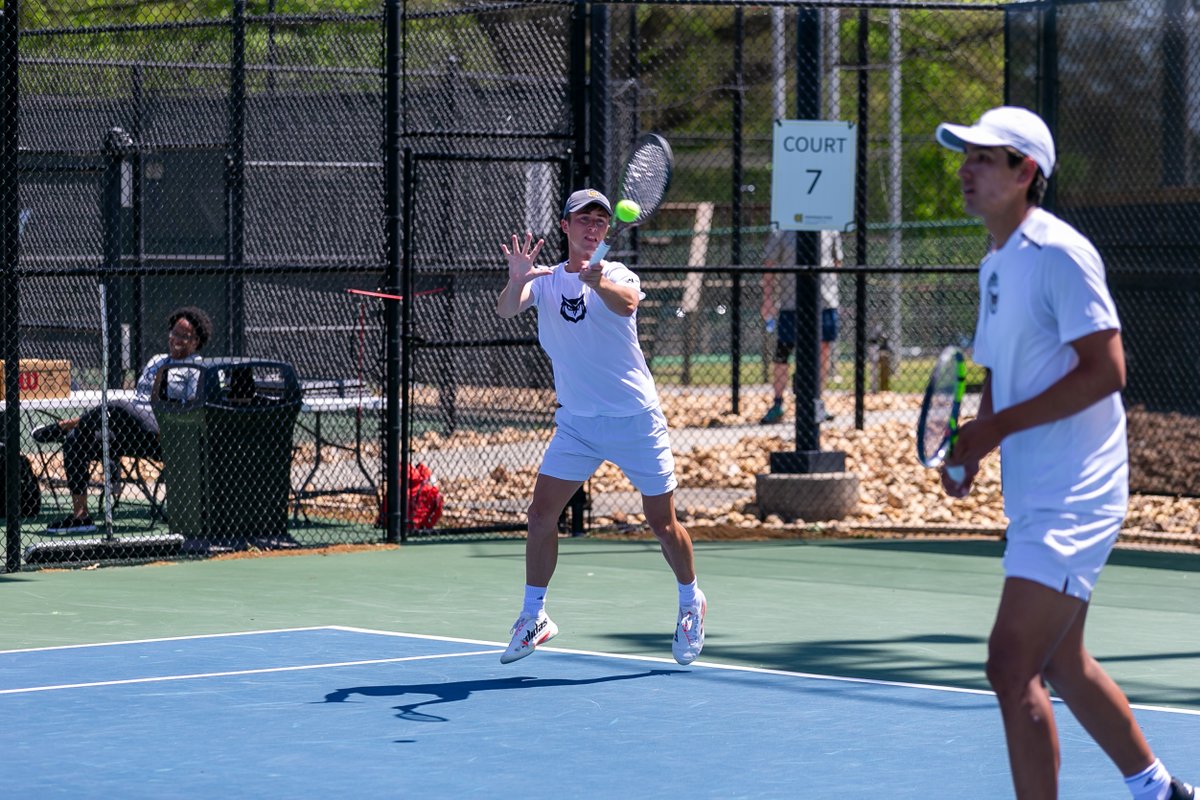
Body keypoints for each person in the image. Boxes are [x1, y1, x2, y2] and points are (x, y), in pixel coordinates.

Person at [937, 107, 1194, 800]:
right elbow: (996, 372)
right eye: (965, 156)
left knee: (1010, 663)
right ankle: (1159, 790)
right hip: (1035, 487)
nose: (966, 169)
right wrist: (974, 448)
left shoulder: (1059, 252)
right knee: (1064, 662)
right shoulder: (995, 263)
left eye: (984, 159)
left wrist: (994, 430)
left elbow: (1107, 369)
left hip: (1079, 491)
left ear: (1027, 173)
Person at [495, 188, 705, 666]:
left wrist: (597, 282)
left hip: (635, 421)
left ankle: (691, 600)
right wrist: (515, 279)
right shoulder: (544, 281)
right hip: (577, 425)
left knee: (662, 524)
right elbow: (509, 308)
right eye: (583, 220)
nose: (593, 228)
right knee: (540, 515)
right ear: (565, 227)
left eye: (600, 222)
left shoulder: (615, 273)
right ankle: (534, 616)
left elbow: (628, 303)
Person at [33, 306, 213, 533]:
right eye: (174, 333)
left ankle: (68, 423)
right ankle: (81, 518)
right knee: (75, 439)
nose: (175, 339)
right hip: (131, 431)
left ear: (197, 340)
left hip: (163, 433)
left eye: (183, 336)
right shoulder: (157, 360)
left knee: (119, 405)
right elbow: (140, 398)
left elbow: (192, 410)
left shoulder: (197, 368)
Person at [759, 229, 840, 424]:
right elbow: (769, 264)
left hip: (825, 302)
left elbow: (837, 262)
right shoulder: (782, 229)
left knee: (823, 350)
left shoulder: (831, 229)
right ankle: (778, 404)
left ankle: (817, 403)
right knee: (783, 352)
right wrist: (768, 298)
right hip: (791, 303)